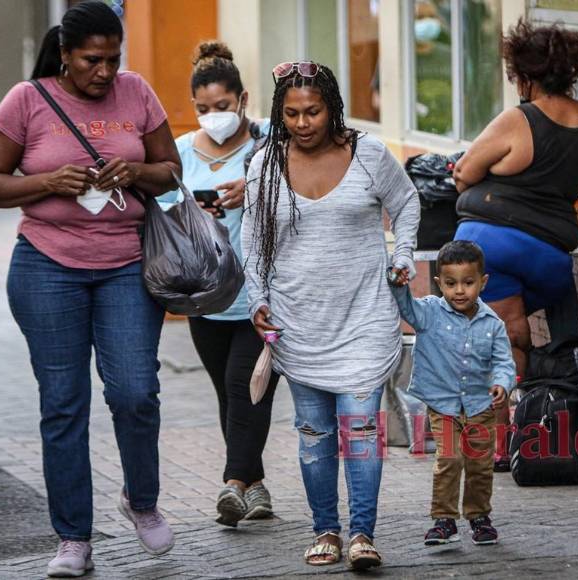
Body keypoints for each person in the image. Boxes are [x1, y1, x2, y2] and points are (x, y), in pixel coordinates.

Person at [0, 2, 181, 577]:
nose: (104, 71)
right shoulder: (26, 100)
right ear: (66, 55)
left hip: (127, 264)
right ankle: (72, 538)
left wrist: (136, 173)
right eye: (92, 60)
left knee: (134, 392)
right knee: (63, 404)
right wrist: (47, 181)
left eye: (113, 59)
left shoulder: (136, 92)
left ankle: (141, 501)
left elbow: (171, 169)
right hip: (47, 266)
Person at [241, 61, 419, 570]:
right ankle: (326, 530)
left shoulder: (368, 154)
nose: (302, 123)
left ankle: (363, 533)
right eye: (292, 114)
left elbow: (406, 203)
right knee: (315, 434)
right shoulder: (265, 165)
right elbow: (252, 241)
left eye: (313, 111)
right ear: (279, 113)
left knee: (361, 428)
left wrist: (402, 256)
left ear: (332, 107)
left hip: (364, 316)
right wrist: (258, 299)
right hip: (298, 321)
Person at [453, 20, 578, 470]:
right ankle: (567, 408)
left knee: (508, 339)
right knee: (559, 318)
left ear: (523, 75)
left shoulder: (518, 119)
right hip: (552, 257)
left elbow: (464, 172)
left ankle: (504, 443)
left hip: (490, 247)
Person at [156, 41, 279, 528]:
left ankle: (232, 485)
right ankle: (257, 486)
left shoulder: (269, 144)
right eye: (204, 109)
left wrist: (256, 184)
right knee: (231, 399)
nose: (214, 116)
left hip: (260, 296)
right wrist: (190, 209)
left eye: (223, 107)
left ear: (243, 99)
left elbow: (313, 156)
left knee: (246, 387)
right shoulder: (182, 151)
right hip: (205, 295)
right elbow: (161, 210)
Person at [388, 240, 516, 546]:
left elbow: (503, 362)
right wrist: (399, 283)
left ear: (482, 282)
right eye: (450, 283)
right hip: (443, 406)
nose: (459, 290)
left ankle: (479, 517)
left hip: (480, 407)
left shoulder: (493, 325)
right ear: (438, 283)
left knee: (479, 465)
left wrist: (502, 383)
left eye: (468, 283)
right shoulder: (429, 313)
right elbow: (406, 305)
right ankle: (444, 519)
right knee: (449, 459)